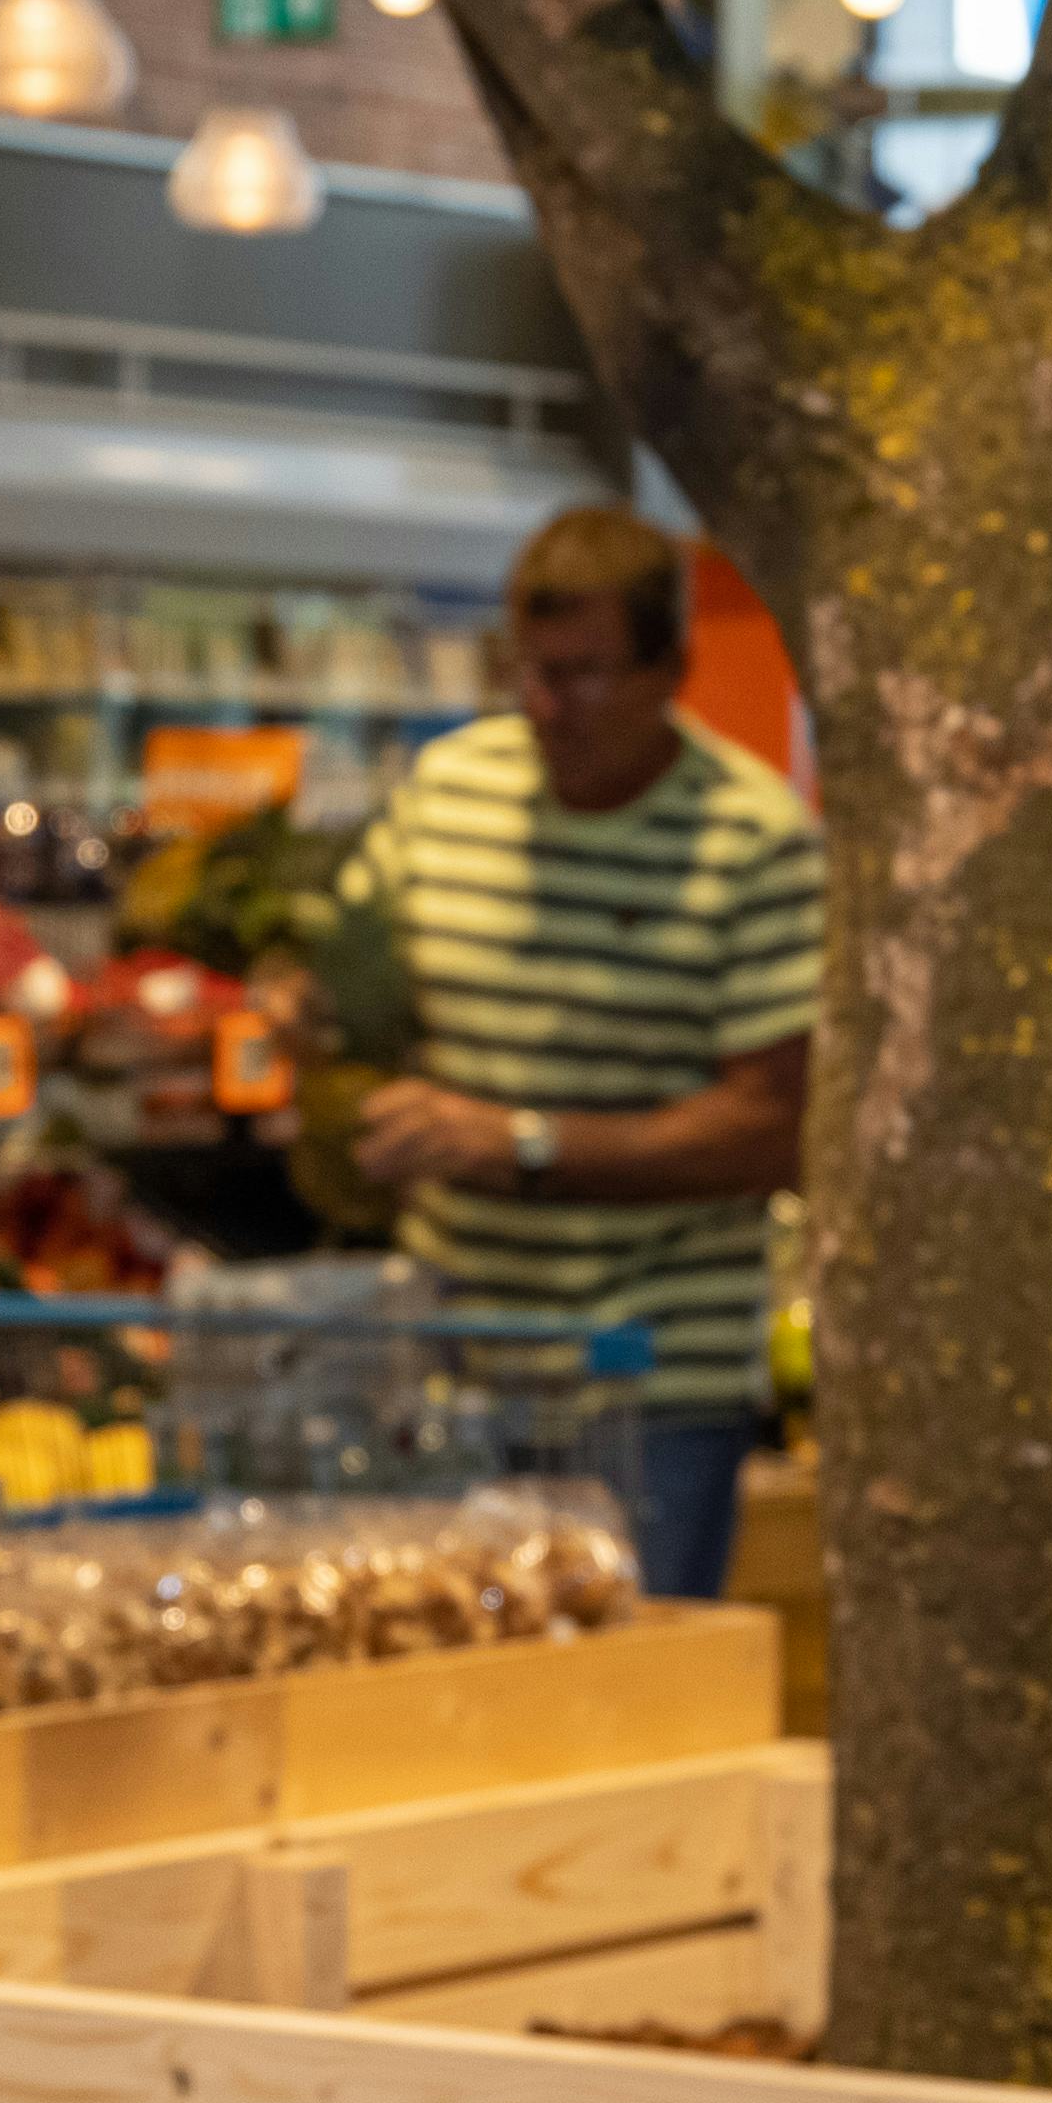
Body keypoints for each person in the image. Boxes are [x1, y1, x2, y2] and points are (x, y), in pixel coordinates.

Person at [321, 503, 819, 1602]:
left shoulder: (750, 840)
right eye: (527, 671)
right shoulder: (448, 791)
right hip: (458, 1358)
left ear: (669, 670)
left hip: (649, 1387)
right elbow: (351, 1000)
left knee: (628, 1712)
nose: (546, 707)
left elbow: (774, 1129)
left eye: (584, 674)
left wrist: (526, 1143)